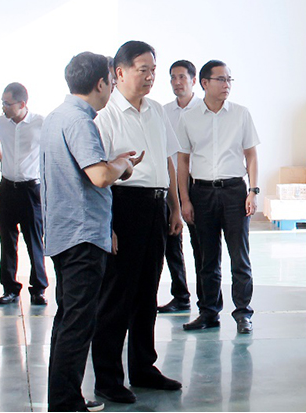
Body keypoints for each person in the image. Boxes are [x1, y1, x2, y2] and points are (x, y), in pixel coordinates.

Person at [42, 51, 141, 412]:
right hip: (82, 237)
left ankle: (63, 396)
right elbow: (98, 175)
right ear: (100, 83)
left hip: (65, 233)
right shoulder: (81, 122)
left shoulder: (56, 117)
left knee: (67, 319)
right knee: (78, 323)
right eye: (111, 82)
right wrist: (122, 164)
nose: (112, 89)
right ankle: (66, 403)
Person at [92, 40, 184, 405]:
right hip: (122, 206)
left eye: (153, 70)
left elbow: (167, 161)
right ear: (119, 72)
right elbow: (97, 176)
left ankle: (144, 368)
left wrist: (175, 208)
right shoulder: (105, 116)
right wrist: (108, 224)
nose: (150, 77)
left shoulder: (157, 110)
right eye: (142, 70)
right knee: (117, 296)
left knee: (147, 294)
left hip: (156, 206)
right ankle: (107, 378)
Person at [177, 60, 259, 334]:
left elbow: (251, 155)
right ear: (205, 83)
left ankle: (243, 313)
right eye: (221, 79)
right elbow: (183, 161)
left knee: (240, 258)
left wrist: (253, 191)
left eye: (229, 80)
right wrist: (185, 200)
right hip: (201, 193)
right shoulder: (189, 118)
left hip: (235, 192)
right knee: (207, 259)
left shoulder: (241, 114)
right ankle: (209, 312)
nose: (227, 85)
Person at [0, 82, 48, 306]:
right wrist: (3, 158)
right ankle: (10, 288)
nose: (3, 107)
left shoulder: (40, 123)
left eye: (7, 103)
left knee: (34, 240)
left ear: (22, 104)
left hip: (30, 190)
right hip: (6, 189)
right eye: (3, 102)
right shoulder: (1, 122)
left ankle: (38, 289)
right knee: (7, 240)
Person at [158, 60, 204, 314]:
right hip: (169, 186)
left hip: (196, 186)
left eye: (182, 77)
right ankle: (181, 295)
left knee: (201, 247)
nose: (177, 82)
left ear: (193, 81)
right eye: (173, 78)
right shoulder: (164, 112)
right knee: (172, 243)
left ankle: (206, 301)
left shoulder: (204, 110)